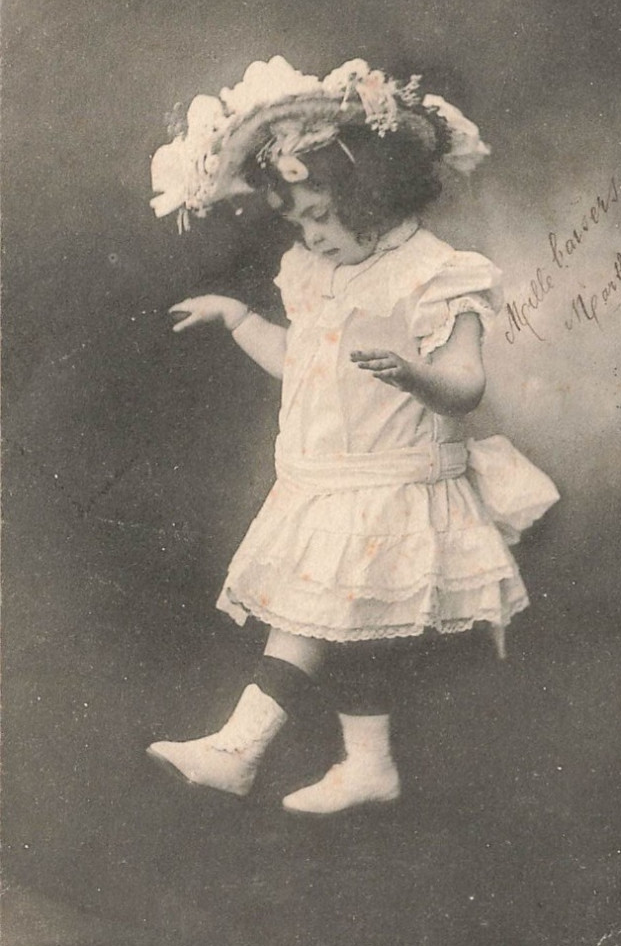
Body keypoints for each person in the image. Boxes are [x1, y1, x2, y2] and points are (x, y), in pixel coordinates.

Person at [146, 56, 559, 814]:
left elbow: (465, 385)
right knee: (344, 626)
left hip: (391, 487)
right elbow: (302, 366)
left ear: (373, 195)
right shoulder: (313, 273)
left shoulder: (438, 274)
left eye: (321, 214)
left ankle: (238, 748)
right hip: (326, 484)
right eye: (297, 218)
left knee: (315, 620)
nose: (309, 234)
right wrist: (240, 320)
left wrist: (412, 374)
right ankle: (367, 766)